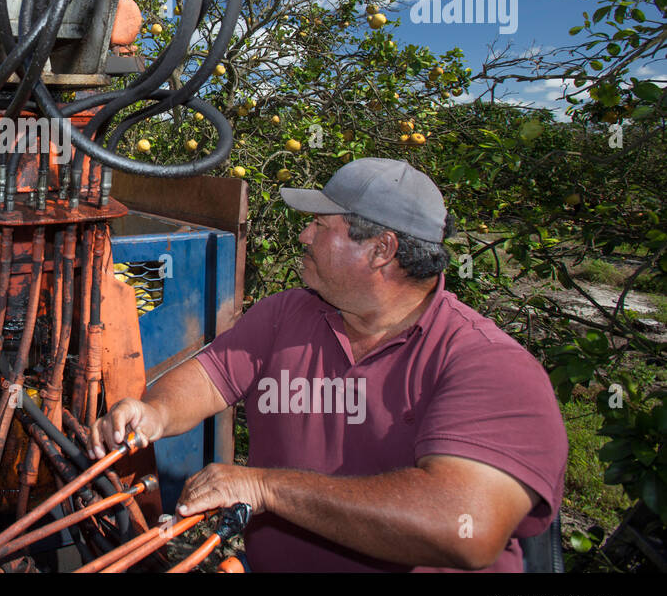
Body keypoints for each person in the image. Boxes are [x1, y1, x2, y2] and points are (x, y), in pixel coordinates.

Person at [89, 158, 568, 571]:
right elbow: (210, 377)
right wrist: (155, 412)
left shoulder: (491, 366)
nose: (303, 234)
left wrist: (265, 488)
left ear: (381, 250)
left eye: (321, 225)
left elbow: (468, 527)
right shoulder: (288, 313)